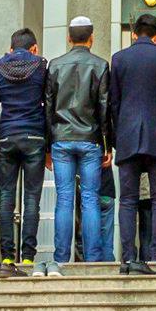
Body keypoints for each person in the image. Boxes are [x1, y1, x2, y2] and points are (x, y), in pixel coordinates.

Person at [108, 14, 156, 273]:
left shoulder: (119, 59)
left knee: (127, 199)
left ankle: (127, 258)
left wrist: (117, 136)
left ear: (135, 33)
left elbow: (114, 103)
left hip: (127, 136)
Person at [46, 17, 110, 276]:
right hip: (90, 139)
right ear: (91, 38)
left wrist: (48, 146)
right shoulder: (100, 65)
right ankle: (92, 260)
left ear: (69, 38)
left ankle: (61, 259)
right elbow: (105, 108)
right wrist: (108, 144)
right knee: (90, 200)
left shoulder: (55, 66)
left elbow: (48, 109)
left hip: (61, 139)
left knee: (64, 200)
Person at [0, 28, 53, 274]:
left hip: (7, 135)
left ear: (10, 48)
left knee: (6, 198)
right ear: (34, 48)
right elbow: (47, 104)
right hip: (34, 135)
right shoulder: (40, 65)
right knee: (31, 198)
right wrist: (48, 143)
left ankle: (7, 256)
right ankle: (27, 256)